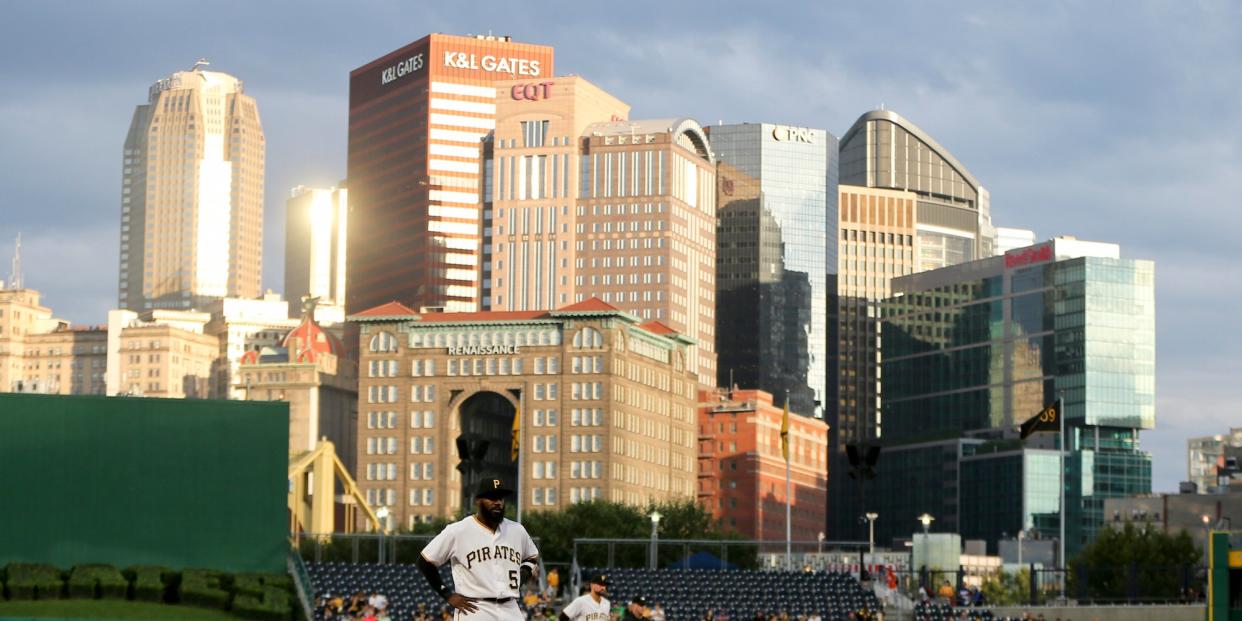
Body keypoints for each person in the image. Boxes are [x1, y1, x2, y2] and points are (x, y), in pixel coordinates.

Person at [416, 476, 540, 621]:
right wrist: (447, 594)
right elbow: (424, 561)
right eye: (492, 498)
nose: (498, 502)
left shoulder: (517, 530)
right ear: (477, 501)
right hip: (476, 609)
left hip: (510, 608)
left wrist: (521, 576)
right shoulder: (458, 530)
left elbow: (532, 557)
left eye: (500, 498)